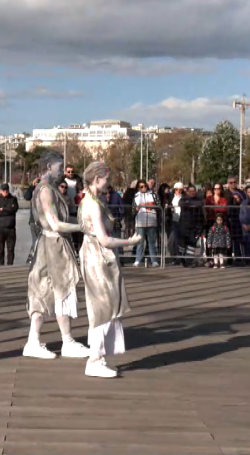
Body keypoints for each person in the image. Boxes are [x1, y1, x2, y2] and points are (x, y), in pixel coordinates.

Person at [78, 161, 142, 377]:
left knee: (104, 306)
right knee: (104, 307)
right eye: (106, 178)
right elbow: (104, 240)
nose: (108, 182)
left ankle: (97, 356)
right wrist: (129, 242)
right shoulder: (93, 203)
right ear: (97, 179)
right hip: (98, 257)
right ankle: (94, 359)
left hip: (96, 255)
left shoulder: (91, 199)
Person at [25, 151, 90, 361]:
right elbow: (55, 224)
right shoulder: (46, 191)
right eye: (59, 167)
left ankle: (57, 340)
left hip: (50, 244)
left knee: (49, 290)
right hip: (53, 245)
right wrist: (84, 227)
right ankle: (57, 341)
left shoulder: (45, 189)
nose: (62, 171)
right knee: (55, 289)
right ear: (49, 167)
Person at [132, 179, 159, 267]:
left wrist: (151, 205)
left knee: (151, 241)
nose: (143, 188)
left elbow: (158, 205)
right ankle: (137, 260)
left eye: (145, 186)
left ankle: (154, 260)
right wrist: (136, 209)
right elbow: (133, 210)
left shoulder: (153, 194)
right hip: (140, 221)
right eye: (141, 186)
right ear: (138, 187)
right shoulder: (136, 196)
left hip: (151, 220)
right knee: (140, 242)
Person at [178, 184, 204, 267]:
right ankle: (182, 261)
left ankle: (189, 261)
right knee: (182, 244)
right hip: (184, 225)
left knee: (192, 243)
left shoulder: (198, 199)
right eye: (190, 191)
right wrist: (192, 204)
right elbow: (181, 203)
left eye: (194, 191)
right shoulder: (183, 199)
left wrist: (189, 203)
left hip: (195, 225)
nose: (192, 193)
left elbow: (199, 203)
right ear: (187, 192)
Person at [0, 183, 19, 266]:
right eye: (4, 190)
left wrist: (3, 209)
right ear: (1, 191)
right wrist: (9, 209)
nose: (5, 191)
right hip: (0, 228)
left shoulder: (13, 199)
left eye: (7, 190)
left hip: (10, 228)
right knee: (0, 249)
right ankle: (0, 265)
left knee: (11, 249)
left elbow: (14, 209)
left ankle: (10, 265)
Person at [24, 178, 41, 264]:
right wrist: (31, 186)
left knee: (41, 241)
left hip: (44, 222)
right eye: (37, 183)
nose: (38, 184)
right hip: (33, 221)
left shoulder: (46, 192)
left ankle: (33, 258)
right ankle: (31, 258)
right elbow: (26, 197)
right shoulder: (33, 191)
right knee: (35, 240)